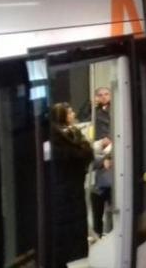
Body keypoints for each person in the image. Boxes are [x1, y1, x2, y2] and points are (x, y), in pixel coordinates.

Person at [49, 102, 94, 266]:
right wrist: (83, 151)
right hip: (65, 193)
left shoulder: (71, 133)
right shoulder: (56, 139)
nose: (74, 114)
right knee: (67, 236)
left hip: (73, 189)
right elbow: (81, 154)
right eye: (70, 112)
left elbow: (85, 154)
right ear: (63, 116)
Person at [90, 153, 113, 238]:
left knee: (111, 214)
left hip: (112, 191)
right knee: (97, 218)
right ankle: (97, 235)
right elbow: (92, 164)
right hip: (98, 191)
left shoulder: (119, 160)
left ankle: (110, 234)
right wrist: (104, 161)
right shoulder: (100, 159)